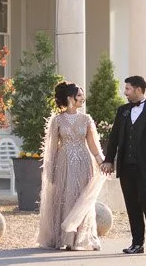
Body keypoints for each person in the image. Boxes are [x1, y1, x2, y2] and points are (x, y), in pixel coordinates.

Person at [36, 80, 106, 251]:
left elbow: (93, 144)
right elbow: (52, 148)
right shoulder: (57, 120)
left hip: (83, 161)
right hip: (63, 163)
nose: (83, 98)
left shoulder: (86, 119)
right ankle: (64, 238)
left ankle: (80, 239)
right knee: (64, 197)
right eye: (80, 95)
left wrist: (102, 162)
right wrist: (50, 170)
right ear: (70, 98)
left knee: (81, 198)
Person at [102, 74, 146, 255]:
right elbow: (114, 137)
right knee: (131, 204)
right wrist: (109, 159)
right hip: (126, 165)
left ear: (139, 89)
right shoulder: (122, 111)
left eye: (128, 89)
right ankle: (137, 243)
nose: (125, 93)